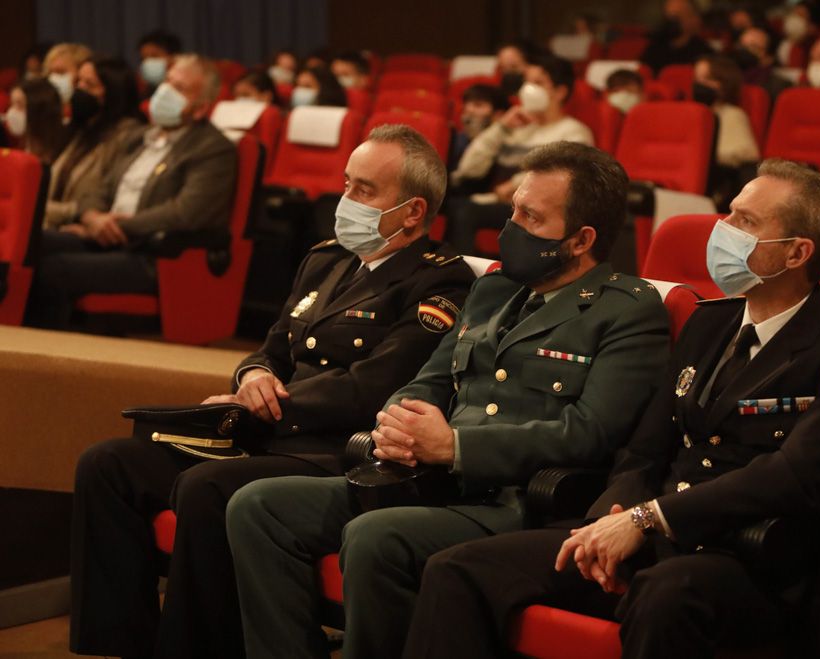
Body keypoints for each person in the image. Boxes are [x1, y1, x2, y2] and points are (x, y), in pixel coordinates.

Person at [403, 158, 820, 659]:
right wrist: (610, 519)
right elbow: (644, 451)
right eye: (728, 213)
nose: (722, 229)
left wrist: (649, 518)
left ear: (797, 253)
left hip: (746, 559)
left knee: (666, 593)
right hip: (651, 535)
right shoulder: (711, 324)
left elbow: (794, 476)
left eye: (745, 222)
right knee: (457, 570)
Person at [226, 141, 673, 659]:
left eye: (530, 216)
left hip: (514, 500)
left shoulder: (628, 311)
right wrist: (402, 421)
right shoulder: (495, 291)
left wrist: (454, 446)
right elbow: (430, 378)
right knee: (258, 507)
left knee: (376, 536)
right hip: (428, 477)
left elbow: (591, 431)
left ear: (581, 240)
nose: (511, 227)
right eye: (513, 210)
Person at [69, 124, 476, 659]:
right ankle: (121, 644)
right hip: (266, 431)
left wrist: (265, 405)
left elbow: (374, 387)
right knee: (107, 464)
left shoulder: (439, 282)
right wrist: (252, 378)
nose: (345, 200)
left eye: (365, 190)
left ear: (414, 211)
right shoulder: (326, 260)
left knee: (206, 486)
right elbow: (271, 350)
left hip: (335, 449)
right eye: (347, 184)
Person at [27, 54, 237, 330]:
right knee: (27, 244)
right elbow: (97, 187)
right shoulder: (138, 136)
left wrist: (116, 226)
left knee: (52, 270)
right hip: (104, 237)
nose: (167, 92)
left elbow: (185, 212)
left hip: (150, 254)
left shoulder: (212, 149)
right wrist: (91, 217)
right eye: (168, 82)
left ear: (199, 109)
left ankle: (43, 363)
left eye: (181, 89)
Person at [447, 54, 593, 255]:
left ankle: (458, 276)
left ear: (560, 92)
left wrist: (516, 185)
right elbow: (469, 169)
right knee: (450, 204)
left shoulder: (574, 132)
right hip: (497, 202)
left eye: (538, 83)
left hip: (535, 210)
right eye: (527, 82)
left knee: (465, 211)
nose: (528, 89)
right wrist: (500, 128)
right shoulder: (515, 128)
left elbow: (563, 177)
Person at [44, 56, 143, 230]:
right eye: (78, 82)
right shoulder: (81, 128)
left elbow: (103, 198)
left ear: (113, 93)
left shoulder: (128, 136)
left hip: (84, 228)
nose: (80, 90)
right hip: (53, 224)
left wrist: (44, 211)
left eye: (89, 84)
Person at [693, 54, 760, 210]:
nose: (700, 84)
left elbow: (745, 153)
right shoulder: (691, 114)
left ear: (725, 83)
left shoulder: (732, 115)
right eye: (697, 79)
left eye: (708, 79)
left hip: (716, 185)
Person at [641, 0, 714, 74]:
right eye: (668, 18)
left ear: (693, 18)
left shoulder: (703, 53)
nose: (671, 23)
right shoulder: (654, 48)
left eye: (675, 18)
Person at [6, 77, 68, 164]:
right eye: (12, 104)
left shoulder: (60, 157)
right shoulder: (25, 146)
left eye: (19, 105)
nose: (12, 112)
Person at [449, 83, 509, 167]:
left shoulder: (505, 147)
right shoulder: (456, 139)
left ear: (498, 115)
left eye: (478, 105)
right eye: (466, 104)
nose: (469, 110)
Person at [733, 26, 793, 103]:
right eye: (743, 47)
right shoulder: (727, 75)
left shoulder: (778, 85)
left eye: (754, 47)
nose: (746, 52)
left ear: (768, 57)